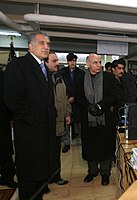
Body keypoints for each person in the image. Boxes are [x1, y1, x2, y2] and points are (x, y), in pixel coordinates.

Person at [4, 31, 56, 200]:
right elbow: (12, 99)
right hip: (29, 134)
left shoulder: (44, 69)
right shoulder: (19, 65)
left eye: (48, 44)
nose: (46, 47)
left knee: (40, 180)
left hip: (45, 134)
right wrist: (35, 120)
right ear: (30, 46)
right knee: (28, 181)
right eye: (42, 43)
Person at [75, 53, 117, 186]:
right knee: (90, 146)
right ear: (88, 64)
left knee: (105, 146)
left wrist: (99, 106)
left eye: (99, 62)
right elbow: (78, 97)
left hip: (105, 119)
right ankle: (92, 171)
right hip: (88, 119)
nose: (99, 65)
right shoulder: (80, 78)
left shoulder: (109, 78)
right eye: (95, 62)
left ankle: (105, 173)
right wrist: (89, 107)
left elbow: (113, 96)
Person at [45, 52, 71, 186]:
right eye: (54, 61)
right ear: (45, 62)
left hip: (59, 121)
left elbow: (64, 98)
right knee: (44, 154)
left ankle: (56, 177)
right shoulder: (42, 79)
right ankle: (44, 181)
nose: (57, 63)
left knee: (55, 152)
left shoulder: (59, 77)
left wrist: (67, 114)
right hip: (45, 123)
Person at [59, 52, 85, 152]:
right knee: (66, 122)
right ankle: (66, 144)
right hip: (65, 101)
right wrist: (67, 98)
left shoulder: (81, 73)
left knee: (79, 123)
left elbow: (82, 88)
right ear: (67, 62)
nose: (72, 63)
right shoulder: (62, 72)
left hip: (78, 101)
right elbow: (60, 88)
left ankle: (83, 142)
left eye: (73, 61)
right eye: (70, 61)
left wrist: (75, 97)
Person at [0, 70, 17, 189]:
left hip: (2, 119)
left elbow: (7, 96)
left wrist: (11, 117)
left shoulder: (2, 76)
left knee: (4, 151)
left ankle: (8, 178)